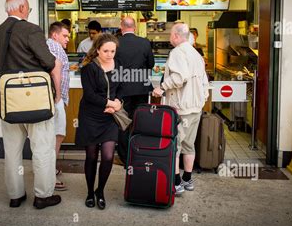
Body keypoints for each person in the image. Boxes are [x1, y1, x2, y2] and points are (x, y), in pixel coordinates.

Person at [0, 0, 61, 209]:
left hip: (9, 101)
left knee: (11, 151)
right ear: (21, 8)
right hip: (36, 100)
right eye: (28, 10)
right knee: (43, 149)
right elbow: (48, 61)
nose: (28, 14)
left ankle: (15, 195)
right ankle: (43, 196)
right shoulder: (31, 30)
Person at [152, 23, 209, 195]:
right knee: (189, 145)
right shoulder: (195, 53)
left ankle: (176, 183)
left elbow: (179, 77)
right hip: (195, 108)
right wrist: (202, 99)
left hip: (181, 109)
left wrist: (162, 88)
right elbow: (204, 81)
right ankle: (187, 179)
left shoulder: (177, 52)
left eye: (171, 34)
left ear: (177, 36)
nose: (170, 37)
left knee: (175, 145)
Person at [75, 34, 123, 210]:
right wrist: (110, 103)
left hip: (110, 117)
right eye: (106, 51)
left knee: (109, 156)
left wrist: (118, 104)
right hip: (90, 116)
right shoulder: (89, 67)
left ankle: (100, 191)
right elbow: (89, 95)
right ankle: (89, 192)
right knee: (91, 156)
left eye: (113, 51)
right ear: (97, 50)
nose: (110, 54)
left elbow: (121, 89)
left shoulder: (118, 66)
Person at [115, 17, 154, 164]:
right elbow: (151, 64)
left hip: (122, 89)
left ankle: (125, 158)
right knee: (139, 122)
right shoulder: (144, 42)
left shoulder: (116, 43)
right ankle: (138, 154)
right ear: (135, 27)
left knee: (123, 123)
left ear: (121, 27)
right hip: (141, 89)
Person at [47, 21, 70, 191]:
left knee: (53, 135)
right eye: (65, 35)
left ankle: (49, 170)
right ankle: (49, 177)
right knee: (57, 135)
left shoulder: (50, 45)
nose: (68, 39)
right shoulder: (55, 46)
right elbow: (56, 70)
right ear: (55, 35)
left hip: (53, 98)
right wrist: (58, 97)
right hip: (55, 99)